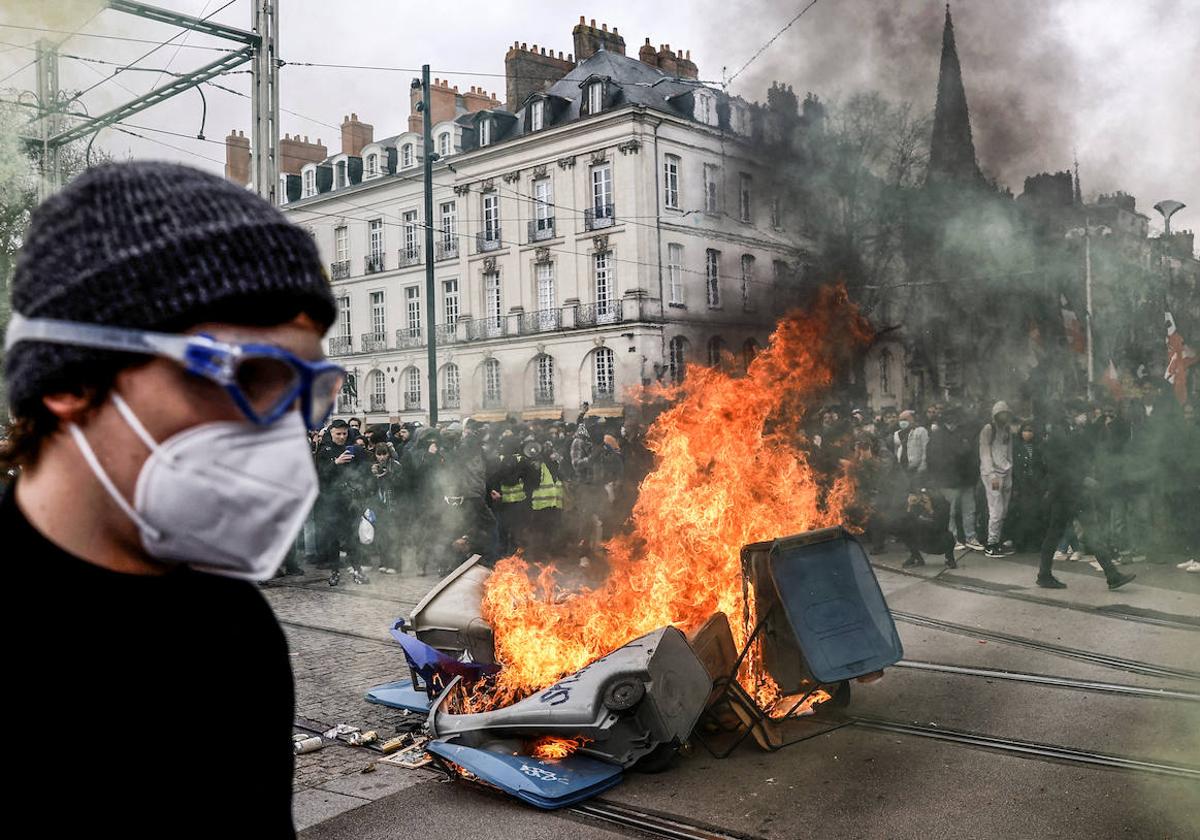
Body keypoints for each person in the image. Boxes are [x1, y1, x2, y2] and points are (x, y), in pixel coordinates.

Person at [1, 161, 338, 835]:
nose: (282, 433)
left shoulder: (237, 632)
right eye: (245, 374)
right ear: (69, 378)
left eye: (308, 392)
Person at [1037, 402, 1136, 590]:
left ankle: (1111, 574)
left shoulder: (1067, 434)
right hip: (1066, 493)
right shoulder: (1056, 440)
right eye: (1073, 413)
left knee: (1068, 533)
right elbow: (1061, 469)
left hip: (1071, 493)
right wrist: (1083, 479)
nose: (1076, 417)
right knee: (1069, 533)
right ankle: (1111, 575)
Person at [927, 406, 983, 551]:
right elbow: (934, 459)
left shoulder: (955, 434)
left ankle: (969, 537)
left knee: (968, 510)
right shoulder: (939, 436)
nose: (952, 422)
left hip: (962, 478)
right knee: (951, 512)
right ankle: (954, 538)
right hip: (950, 479)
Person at [980, 400, 1015, 557]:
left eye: (1006, 413)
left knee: (1004, 510)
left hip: (1006, 473)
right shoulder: (989, 429)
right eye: (1001, 413)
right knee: (996, 509)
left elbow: (1010, 452)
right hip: (992, 475)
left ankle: (998, 540)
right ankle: (991, 543)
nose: (1004, 416)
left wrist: (1010, 471)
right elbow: (985, 452)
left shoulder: (1007, 429)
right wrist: (992, 474)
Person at [1008, 421, 1047, 552]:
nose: (1028, 433)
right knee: (1022, 514)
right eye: (1025, 430)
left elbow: (1042, 467)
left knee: (1035, 514)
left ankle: (1034, 542)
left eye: (1030, 430)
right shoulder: (1016, 447)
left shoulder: (1039, 447)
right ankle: (1020, 542)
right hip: (1021, 485)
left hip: (1035, 485)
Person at [892, 409, 929, 485]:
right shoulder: (897, 434)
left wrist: (922, 467)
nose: (902, 422)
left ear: (912, 419)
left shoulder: (921, 431)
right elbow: (896, 451)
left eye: (905, 419)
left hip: (916, 469)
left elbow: (925, 450)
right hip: (902, 470)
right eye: (900, 420)